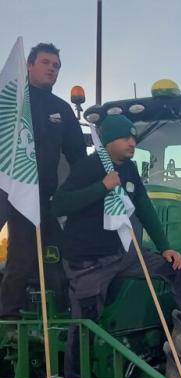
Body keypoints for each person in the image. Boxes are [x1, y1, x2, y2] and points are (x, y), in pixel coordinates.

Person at [51, 115, 181, 378]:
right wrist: (101, 187)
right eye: (126, 138)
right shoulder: (89, 167)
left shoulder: (129, 169)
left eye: (134, 138)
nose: (132, 143)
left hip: (122, 254)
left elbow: (144, 207)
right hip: (88, 261)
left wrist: (166, 248)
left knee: (175, 268)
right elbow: (59, 205)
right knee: (85, 324)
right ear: (108, 141)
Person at [0, 43, 87, 319]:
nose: (52, 68)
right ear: (29, 65)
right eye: (46, 63)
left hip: (40, 197)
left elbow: (78, 159)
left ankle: (30, 316)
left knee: (47, 256)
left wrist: (90, 190)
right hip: (4, 188)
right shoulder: (9, 102)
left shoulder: (61, 110)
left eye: (57, 66)